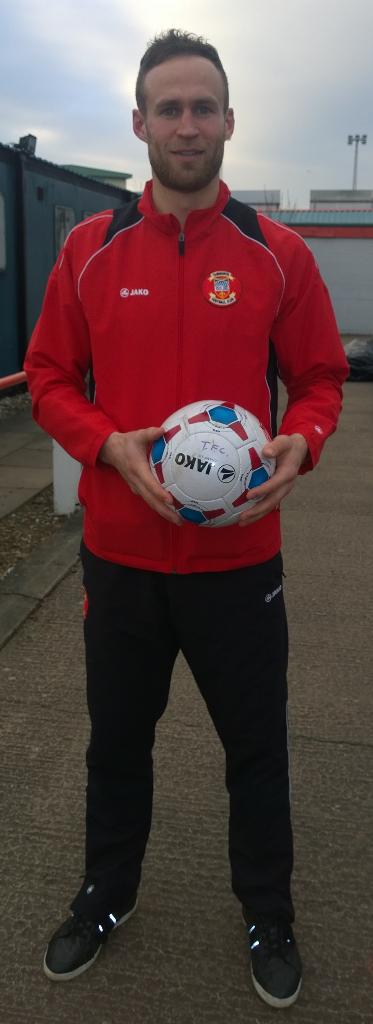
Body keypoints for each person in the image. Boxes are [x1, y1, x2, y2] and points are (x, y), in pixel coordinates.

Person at [25, 28, 349, 1008]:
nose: (186, 123)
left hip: (240, 565)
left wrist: (304, 439)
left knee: (256, 748)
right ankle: (104, 894)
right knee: (116, 743)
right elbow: (45, 378)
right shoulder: (86, 251)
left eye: (202, 105)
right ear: (138, 123)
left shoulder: (277, 254)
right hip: (119, 559)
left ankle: (268, 911)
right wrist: (109, 445)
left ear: (229, 121)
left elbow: (321, 378)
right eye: (167, 107)